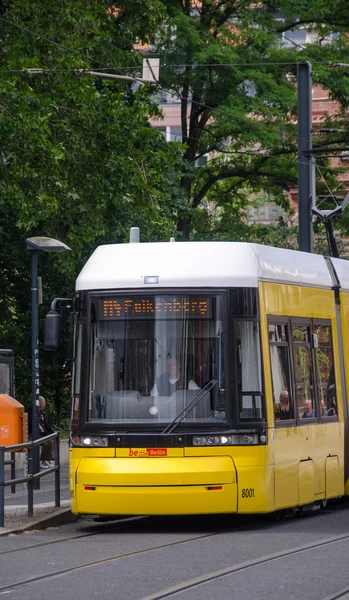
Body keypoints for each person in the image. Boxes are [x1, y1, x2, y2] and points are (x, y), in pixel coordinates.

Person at [27, 396, 54, 469]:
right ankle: (43, 460)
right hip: (31, 435)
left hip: (38, 434)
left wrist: (52, 433)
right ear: (40, 403)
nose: (45, 404)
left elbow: (45, 424)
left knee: (52, 440)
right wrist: (47, 435)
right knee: (48, 442)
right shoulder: (32, 412)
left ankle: (46, 460)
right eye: (44, 402)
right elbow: (38, 426)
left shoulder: (40, 413)